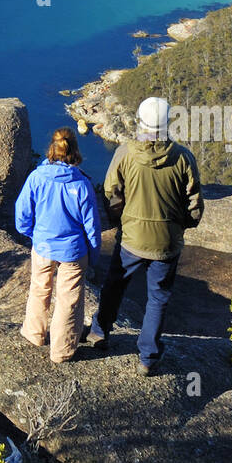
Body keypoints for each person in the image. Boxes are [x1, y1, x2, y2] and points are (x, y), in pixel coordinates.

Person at [84, 95, 203, 375]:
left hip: (131, 238)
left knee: (115, 284)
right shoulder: (183, 157)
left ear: (140, 122)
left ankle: (99, 332)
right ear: (167, 123)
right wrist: (182, 226)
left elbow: (112, 193)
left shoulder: (125, 153)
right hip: (167, 241)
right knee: (158, 297)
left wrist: (120, 221)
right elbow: (194, 203)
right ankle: (148, 357)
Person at [15, 127, 102, 364]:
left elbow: (22, 215)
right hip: (73, 251)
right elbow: (92, 227)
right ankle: (61, 351)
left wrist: (34, 235)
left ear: (52, 148)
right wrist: (93, 256)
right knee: (68, 300)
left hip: (43, 246)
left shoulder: (36, 177)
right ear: (74, 150)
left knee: (39, 288)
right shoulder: (82, 184)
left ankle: (34, 334)